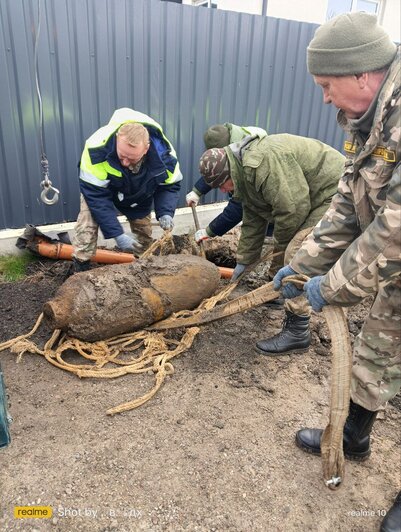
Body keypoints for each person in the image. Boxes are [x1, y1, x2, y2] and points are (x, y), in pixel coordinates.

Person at [272, 13, 400, 530]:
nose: (324, 97)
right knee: (377, 347)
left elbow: (395, 224)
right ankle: (354, 438)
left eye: (327, 85)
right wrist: (302, 268)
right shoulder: (365, 120)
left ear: (362, 75)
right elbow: (348, 203)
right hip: (394, 267)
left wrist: (338, 285)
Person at [198, 133, 345, 354]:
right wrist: (244, 262)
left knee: (298, 254)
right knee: (287, 251)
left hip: (333, 191)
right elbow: (253, 219)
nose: (222, 190)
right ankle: (278, 293)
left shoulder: (260, 164)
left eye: (222, 184)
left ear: (229, 172)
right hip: (310, 197)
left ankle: (298, 330)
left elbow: (292, 210)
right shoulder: (243, 174)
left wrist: (284, 253)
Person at [72, 108, 183, 272]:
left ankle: (143, 269)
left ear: (146, 149)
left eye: (131, 158)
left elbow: (169, 186)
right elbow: (96, 196)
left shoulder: (166, 157)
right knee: (86, 224)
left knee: (143, 235)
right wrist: (116, 233)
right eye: (121, 155)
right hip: (103, 191)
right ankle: (80, 268)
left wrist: (165, 212)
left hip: (139, 192)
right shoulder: (95, 150)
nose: (124, 162)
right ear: (117, 139)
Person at [186, 123, 268, 243]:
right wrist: (198, 191)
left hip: (277, 201)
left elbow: (238, 208)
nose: (222, 190)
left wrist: (210, 231)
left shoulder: (248, 160)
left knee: (264, 225)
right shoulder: (227, 138)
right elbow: (217, 172)